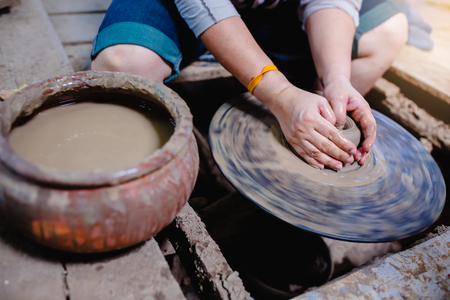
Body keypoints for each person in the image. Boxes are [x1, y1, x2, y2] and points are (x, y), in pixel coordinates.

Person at [90, 0, 408, 170]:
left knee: (389, 31)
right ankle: (163, 175)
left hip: (278, 8)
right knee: (125, 67)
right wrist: (280, 93)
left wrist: (336, 78)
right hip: (191, 4)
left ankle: (314, 131)